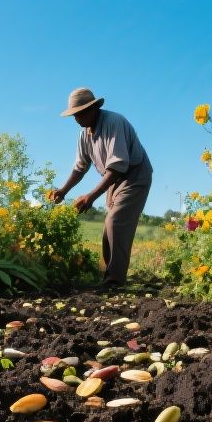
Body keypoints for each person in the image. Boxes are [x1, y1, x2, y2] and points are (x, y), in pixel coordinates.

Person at [51, 87, 153, 287]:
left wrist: (92, 195)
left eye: (80, 113)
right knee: (109, 227)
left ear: (94, 108)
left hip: (134, 176)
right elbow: (80, 167)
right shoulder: (84, 135)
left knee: (116, 222)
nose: (77, 119)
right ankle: (110, 276)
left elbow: (117, 165)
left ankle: (114, 281)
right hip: (113, 180)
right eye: (74, 115)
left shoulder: (114, 123)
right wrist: (63, 191)